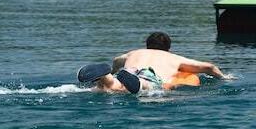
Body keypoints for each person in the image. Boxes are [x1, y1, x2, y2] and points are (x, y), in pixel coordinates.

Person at [77, 31, 225, 93]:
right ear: (168, 48)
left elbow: (116, 60)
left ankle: (106, 78)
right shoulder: (175, 58)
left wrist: (114, 71)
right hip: (147, 77)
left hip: (128, 71)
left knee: (114, 86)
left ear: (147, 45)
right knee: (147, 84)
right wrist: (224, 77)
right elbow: (209, 67)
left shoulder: (134, 53)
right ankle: (138, 83)